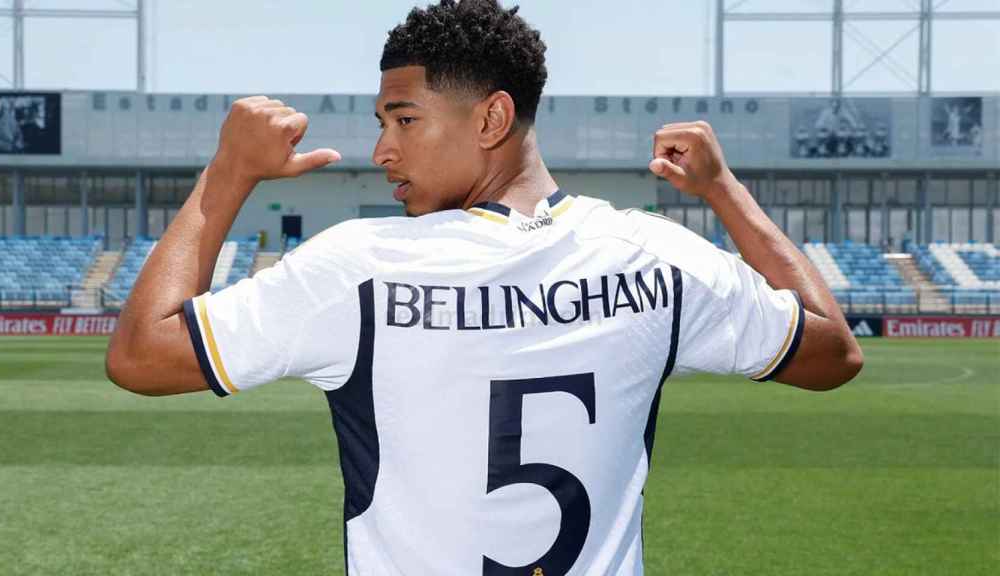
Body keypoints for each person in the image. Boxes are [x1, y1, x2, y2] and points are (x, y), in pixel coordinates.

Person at [106, 1, 863, 573]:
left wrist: (228, 171)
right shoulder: (655, 256)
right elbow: (833, 353)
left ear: (493, 117)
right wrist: (724, 190)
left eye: (404, 120)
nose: (382, 150)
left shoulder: (360, 269)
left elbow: (141, 356)